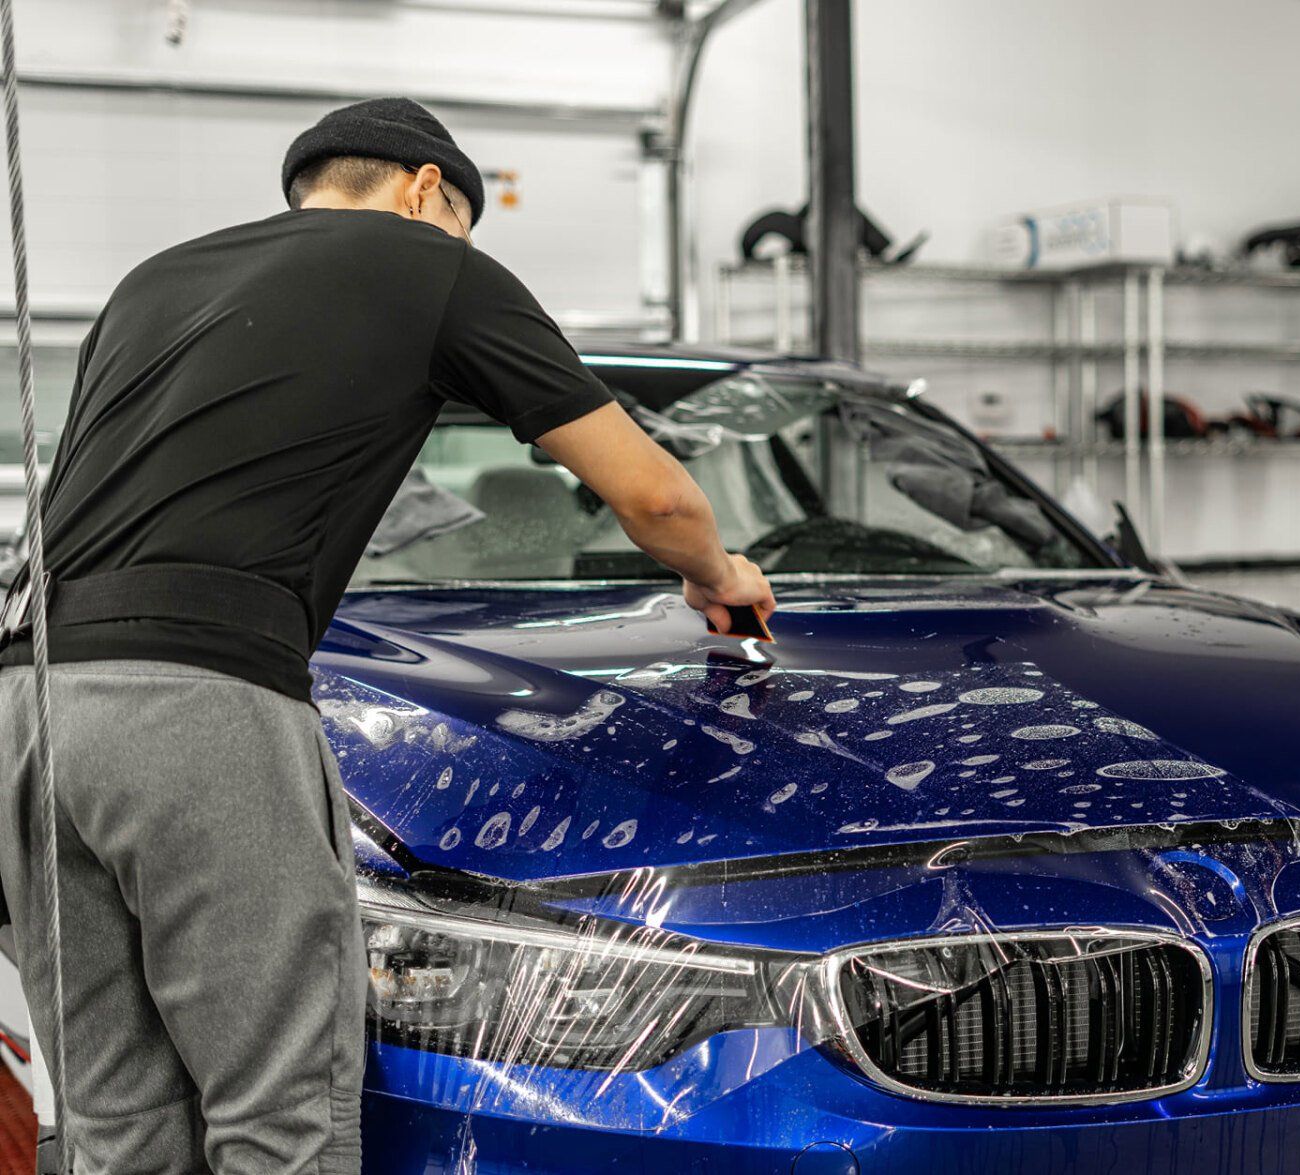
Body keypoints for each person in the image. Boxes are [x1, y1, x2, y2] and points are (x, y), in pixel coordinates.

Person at [0, 97, 775, 1172]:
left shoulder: (152, 281)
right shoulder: (431, 263)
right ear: (426, 192)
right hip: (195, 706)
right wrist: (723, 575)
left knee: (113, 1120)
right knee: (282, 1117)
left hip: (29, 707)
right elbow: (659, 501)